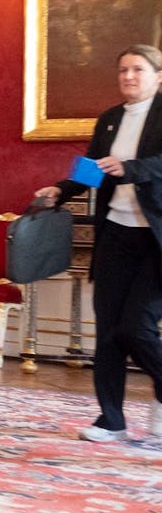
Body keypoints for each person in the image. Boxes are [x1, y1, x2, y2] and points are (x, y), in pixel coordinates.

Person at [33, 44, 162, 444]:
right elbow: (92, 170)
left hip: (156, 238)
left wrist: (132, 168)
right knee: (107, 330)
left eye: (138, 69)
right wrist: (60, 190)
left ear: (158, 75)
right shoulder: (109, 120)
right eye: (123, 69)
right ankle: (111, 420)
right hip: (116, 235)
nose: (129, 76)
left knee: (136, 325)